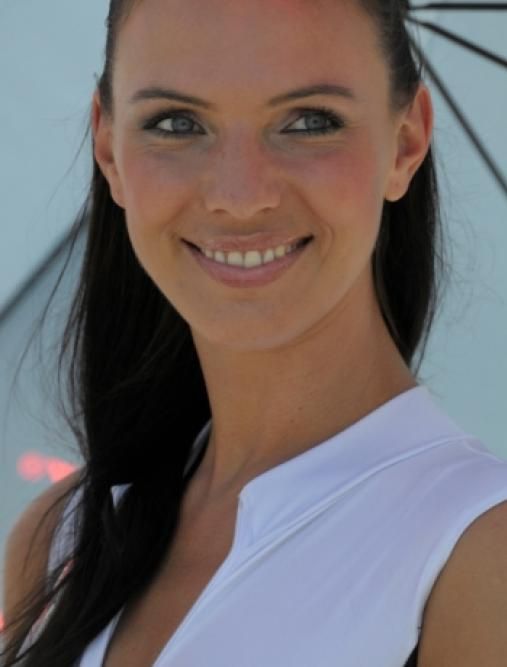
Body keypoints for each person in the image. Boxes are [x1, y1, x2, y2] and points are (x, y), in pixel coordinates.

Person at [2, 0, 507, 665]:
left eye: (309, 121)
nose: (239, 196)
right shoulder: (58, 542)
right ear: (109, 149)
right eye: (176, 123)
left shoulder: (477, 552)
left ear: (406, 141)